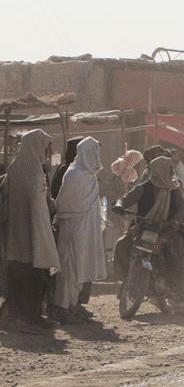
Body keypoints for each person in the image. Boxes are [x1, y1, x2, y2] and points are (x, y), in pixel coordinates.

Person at [112, 156, 184, 316]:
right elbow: (127, 198)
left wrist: (175, 221)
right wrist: (119, 205)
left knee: (181, 259)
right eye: (165, 169)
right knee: (122, 244)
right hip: (145, 227)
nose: (168, 172)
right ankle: (127, 280)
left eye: (168, 169)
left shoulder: (174, 188)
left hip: (169, 230)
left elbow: (181, 209)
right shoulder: (144, 187)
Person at [0, 129, 60, 333]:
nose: (48, 153)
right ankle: (23, 320)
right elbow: (36, 201)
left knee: (35, 276)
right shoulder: (31, 169)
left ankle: (34, 317)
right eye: (46, 149)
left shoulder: (17, 167)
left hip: (23, 233)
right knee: (29, 277)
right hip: (29, 233)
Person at [51, 137, 107, 324]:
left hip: (87, 231)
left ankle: (74, 305)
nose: (98, 157)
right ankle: (62, 307)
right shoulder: (73, 174)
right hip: (72, 230)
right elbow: (63, 203)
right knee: (68, 269)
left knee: (80, 269)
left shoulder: (90, 175)